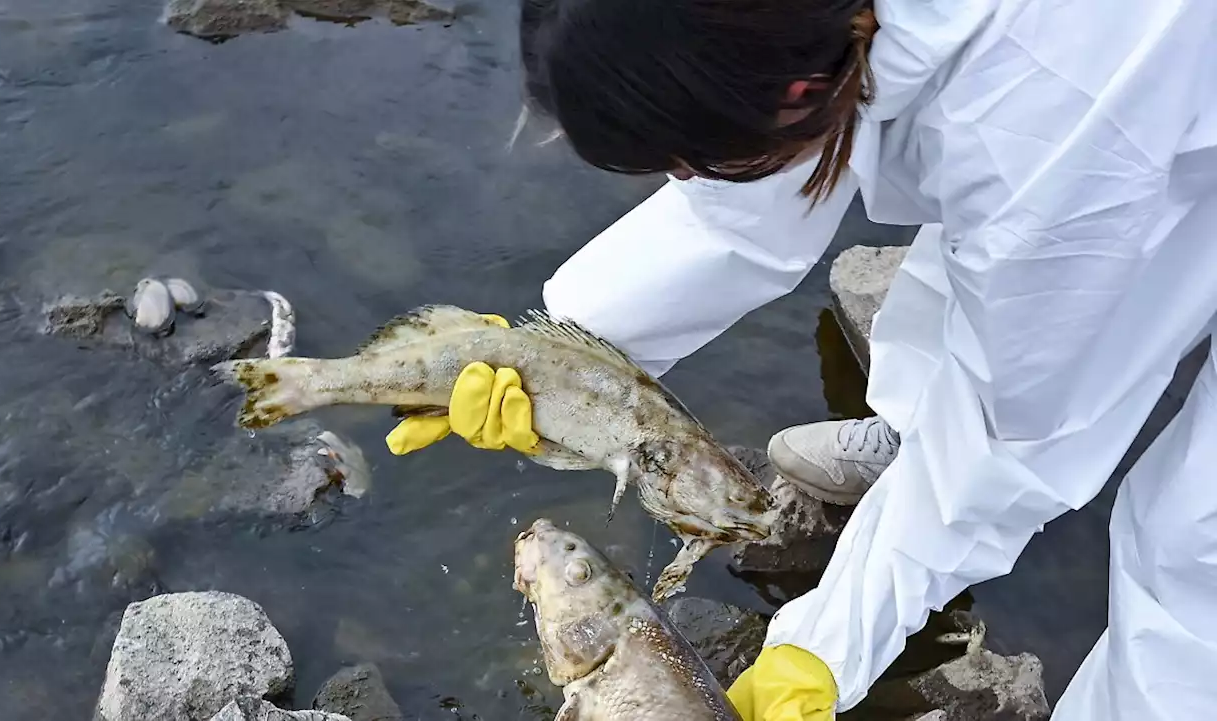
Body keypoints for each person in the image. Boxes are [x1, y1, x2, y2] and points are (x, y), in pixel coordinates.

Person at [386, 0, 1217, 718]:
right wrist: (562, 355)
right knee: (958, 286)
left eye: (688, 161)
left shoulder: (1043, 126)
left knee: (1190, 548)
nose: (689, 178)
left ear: (796, 91)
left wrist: (824, 647)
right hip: (1088, 139)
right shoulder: (781, 33)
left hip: (1125, 122)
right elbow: (743, 203)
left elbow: (1018, 433)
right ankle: (909, 440)